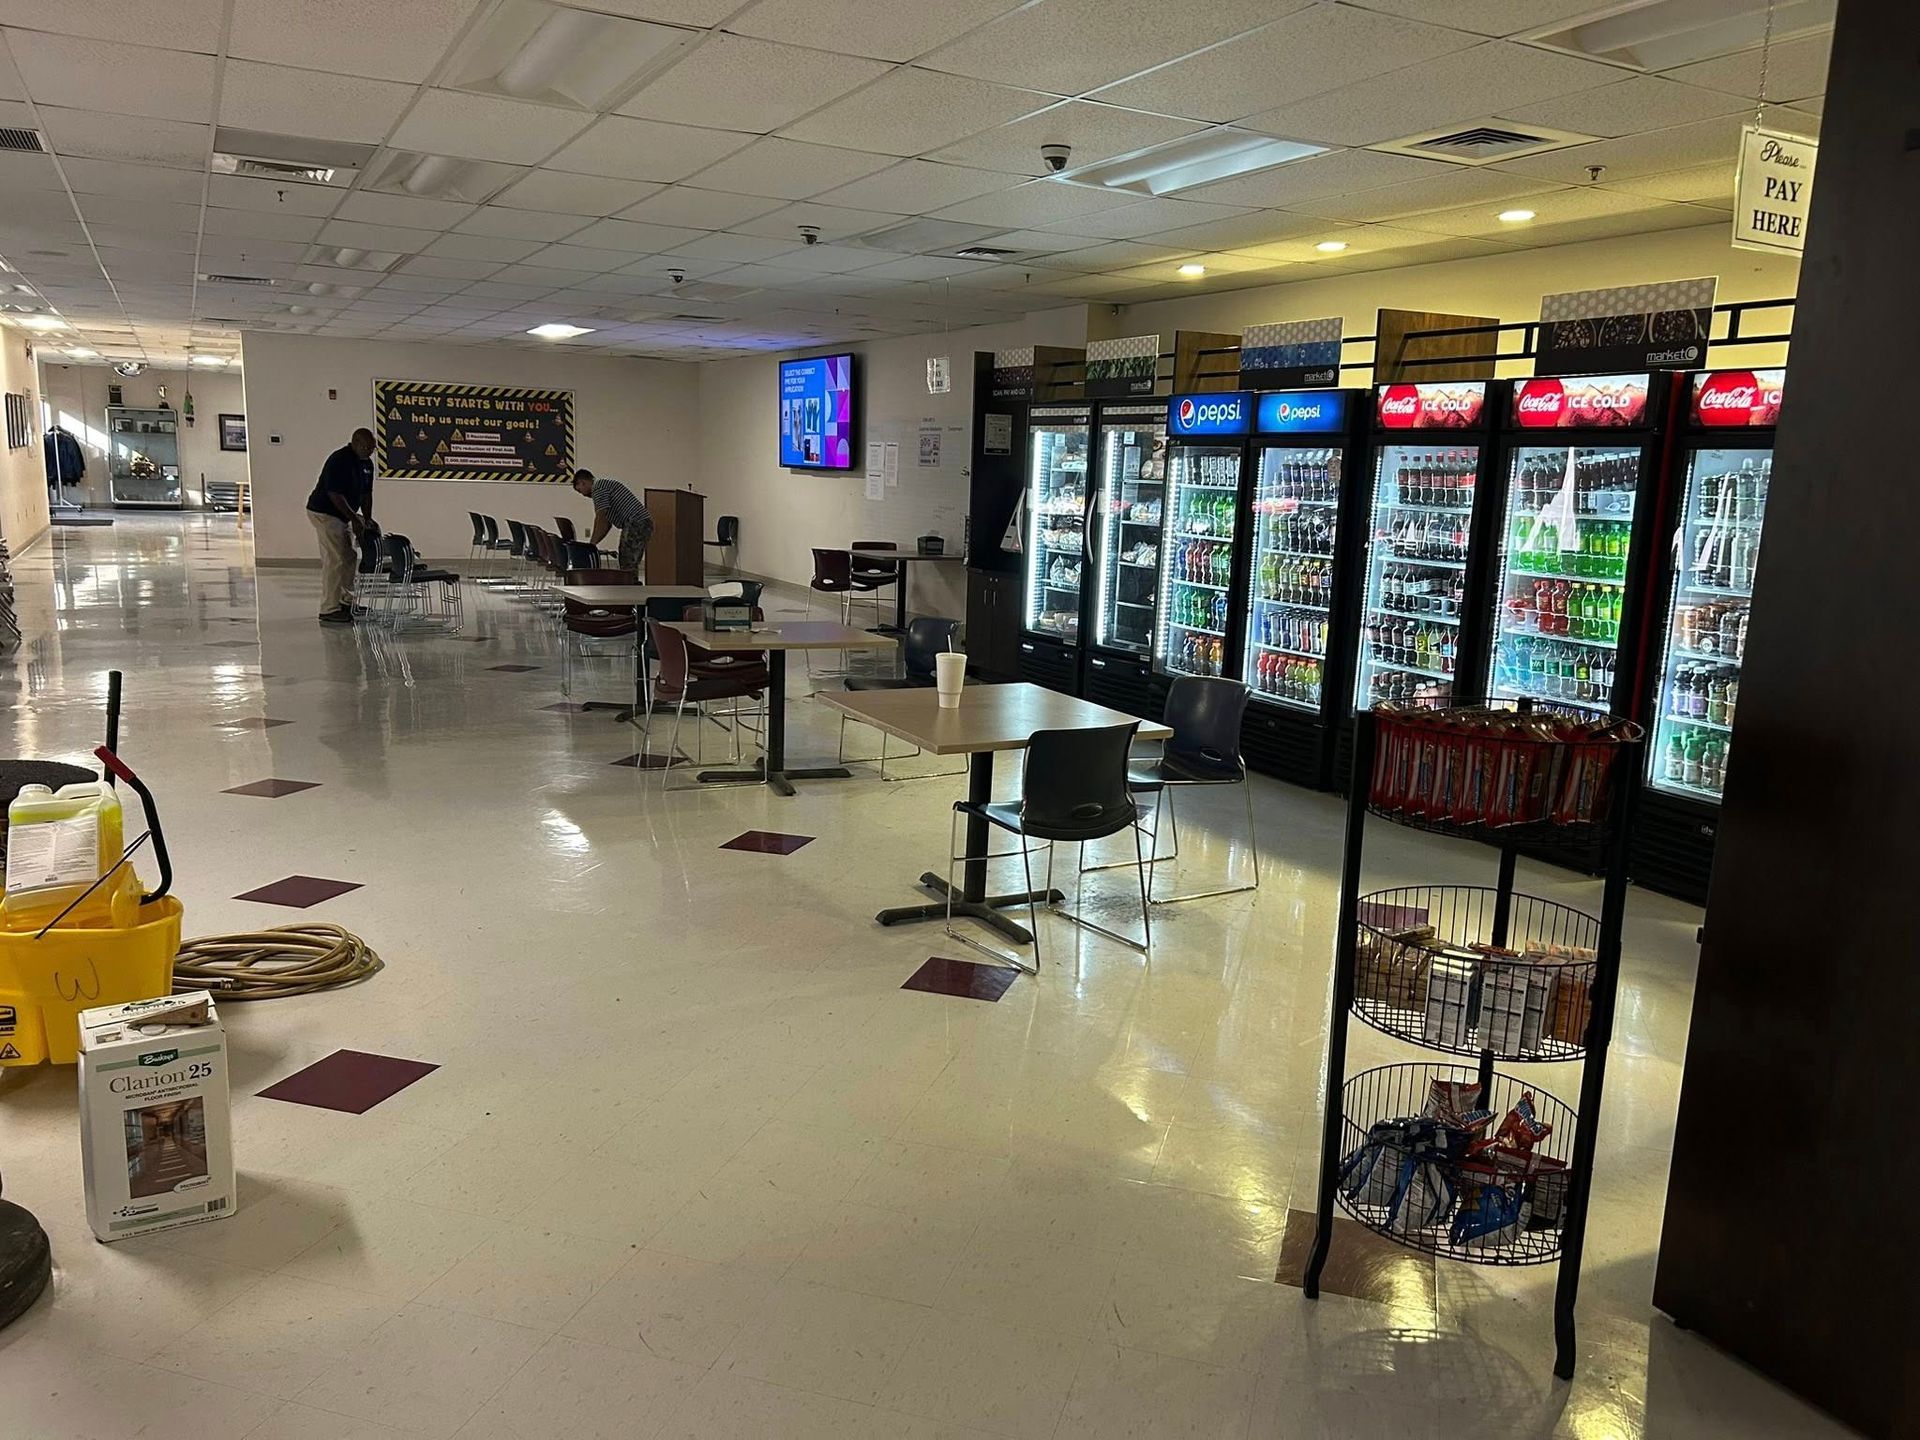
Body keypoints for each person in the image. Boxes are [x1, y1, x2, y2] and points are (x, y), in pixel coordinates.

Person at [307, 428, 375, 624]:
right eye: (366, 447)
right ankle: (329, 608)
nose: (370, 451)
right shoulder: (339, 460)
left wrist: (367, 519)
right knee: (335, 559)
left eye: (373, 448)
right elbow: (334, 494)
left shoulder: (366, 464)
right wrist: (354, 519)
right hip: (324, 512)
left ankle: (345, 600)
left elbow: (366, 494)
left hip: (343, 516)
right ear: (355, 443)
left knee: (349, 556)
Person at [571, 468, 652, 574]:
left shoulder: (598, 488)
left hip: (636, 522)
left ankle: (631, 587)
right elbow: (606, 524)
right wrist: (593, 544)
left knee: (628, 561)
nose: (583, 495)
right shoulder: (603, 486)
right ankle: (631, 585)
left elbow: (601, 518)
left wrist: (591, 545)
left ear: (583, 482)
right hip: (639, 523)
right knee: (627, 559)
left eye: (580, 490)